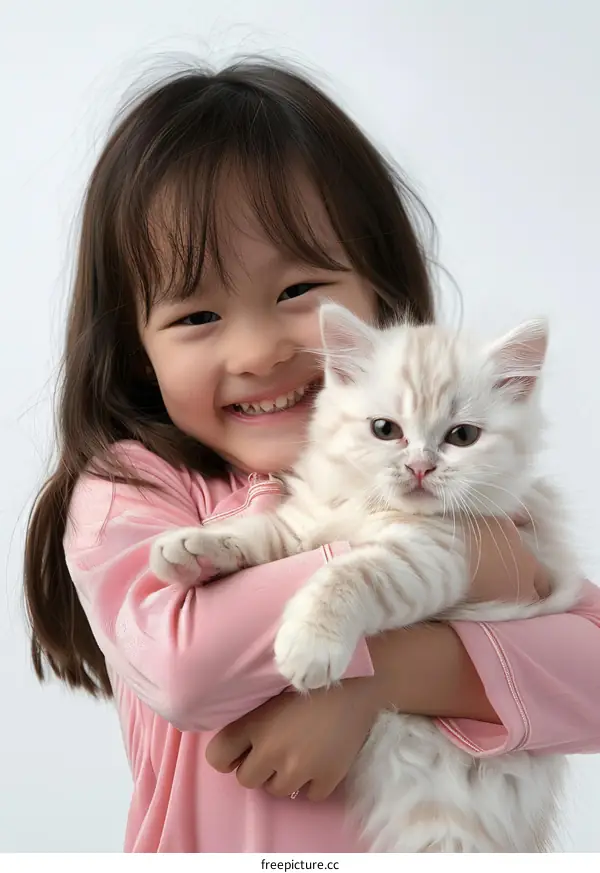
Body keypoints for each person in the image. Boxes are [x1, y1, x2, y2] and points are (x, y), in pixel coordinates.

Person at [24, 60, 600, 854]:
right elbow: (191, 665)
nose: (259, 350)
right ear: (136, 346)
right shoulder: (135, 488)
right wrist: (466, 562)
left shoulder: (456, 479)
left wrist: (384, 676)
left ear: (379, 295)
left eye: (298, 291)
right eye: (197, 313)